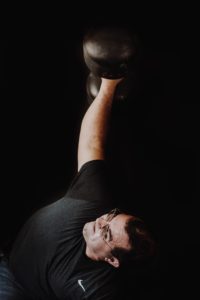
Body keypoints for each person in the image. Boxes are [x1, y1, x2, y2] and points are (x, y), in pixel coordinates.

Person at [0, 78, 156, 299]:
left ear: (112, 260)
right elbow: (92, 142)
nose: (100, 221)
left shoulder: (96, 290)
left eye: (107, 232)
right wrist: (108, 84)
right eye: (111, 216)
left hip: (17, 287)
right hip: (7, 253)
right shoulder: (95, 202)